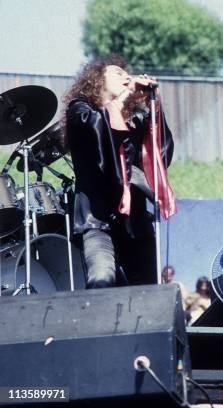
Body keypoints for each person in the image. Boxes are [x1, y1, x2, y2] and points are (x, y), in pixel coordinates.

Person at [64, 55, 176, 289]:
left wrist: (153, 106)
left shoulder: (137, 120)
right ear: (97, 81)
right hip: (97, 221)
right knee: (102, 278)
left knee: (148, 288)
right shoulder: (80, 110)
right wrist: (124, 99)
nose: (127, 76)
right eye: (117, 73)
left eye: (128, 73)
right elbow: (94, 136)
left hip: (135, 223)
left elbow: (160, 154)